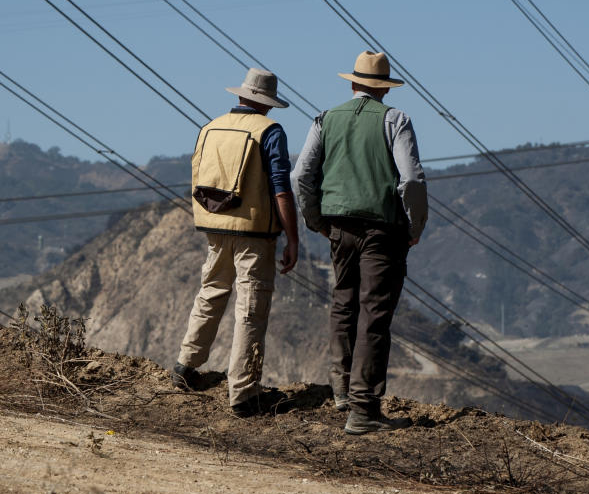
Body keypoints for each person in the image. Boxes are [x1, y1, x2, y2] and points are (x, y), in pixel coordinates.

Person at [292, 51, 427, 435]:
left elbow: (302, 173)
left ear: (352, 83)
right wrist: (415, 225)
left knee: (343, 302)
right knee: (374, 315)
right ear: (384, 87)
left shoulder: (325, 119)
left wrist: (316, 219)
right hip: (381, 230)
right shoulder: (395, 120)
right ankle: (364, 409)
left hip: (338, 228)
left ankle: (342, 391)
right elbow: (412, 181)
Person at [173, 67, 298, 418]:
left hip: (214, 225)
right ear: (268, 104)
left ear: (241, 95)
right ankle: (243, 393)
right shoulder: (269, 132)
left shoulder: (210, 127)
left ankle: (185, 365)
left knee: (211, 291)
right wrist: (293, 237)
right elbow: (280, 188)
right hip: (254, 232)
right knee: (250, 309)